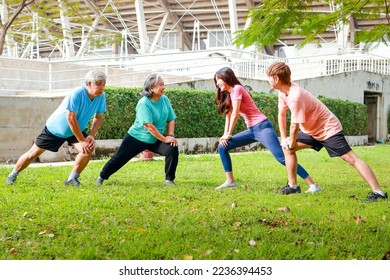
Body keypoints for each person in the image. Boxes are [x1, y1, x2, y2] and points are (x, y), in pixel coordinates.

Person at [266, 61, 388, 202]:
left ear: (276, 79)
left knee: (351, 159)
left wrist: (291, 141)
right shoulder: (283, 92)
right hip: (312, 131)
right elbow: (281, 113)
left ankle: (379, 193)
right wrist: (284, 139)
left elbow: (294, 126)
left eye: (268, 76)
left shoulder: (295, 96)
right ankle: (293, 186)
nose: (267, 79)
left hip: (328, 129)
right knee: (287, 149)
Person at [213, 66, 320, 192]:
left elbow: (236, 115)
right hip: (252, 130)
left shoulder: (237, 89)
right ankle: (230, 181)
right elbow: (229, 115)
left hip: (262, 127)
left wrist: (229, 134)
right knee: (222, 147)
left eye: (218, 79)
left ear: (226, 78)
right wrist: (225, 135)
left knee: (281, 157)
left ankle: (313, 185)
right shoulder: (229, 94)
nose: (217, 83)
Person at [5, 70, 107, 187]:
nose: (102, 87)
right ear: (89, 83)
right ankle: (12, 175)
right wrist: (82, 140)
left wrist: (91, 136)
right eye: (98, 84)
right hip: (56, 129)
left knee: (86, 151)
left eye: (104, 84)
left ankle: (71, 179)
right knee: (32, 154)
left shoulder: (101, 96)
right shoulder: (77, 94)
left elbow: (99, 117)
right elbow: (71, 119)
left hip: (75, 130)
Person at [95, 73, 178, 186]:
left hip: (155, 138)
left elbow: (171, 119)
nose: (163, 87)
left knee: (172, 148)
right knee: (119, 159)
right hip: (136, 138)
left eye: (164, 84)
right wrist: (164, 139)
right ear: (151, 88)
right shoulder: (143, 103)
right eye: (160, 85)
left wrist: (171, 136)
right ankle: (101, 177)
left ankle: (169, 180)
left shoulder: (164, 100)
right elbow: (148, 126)